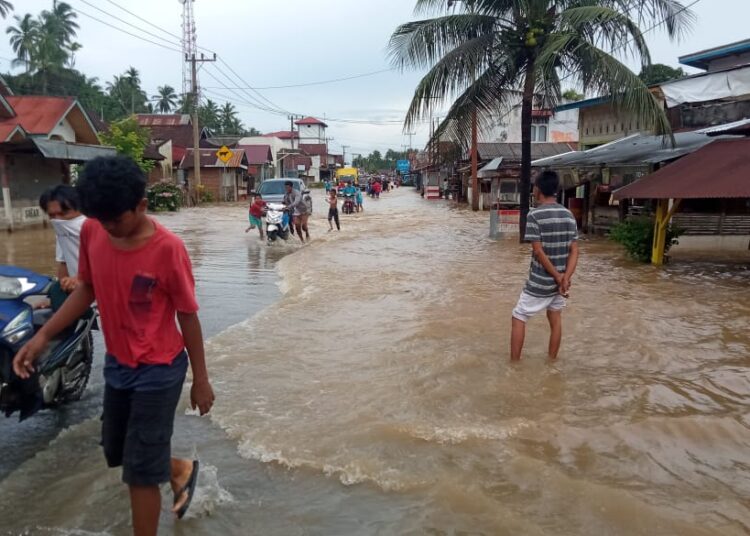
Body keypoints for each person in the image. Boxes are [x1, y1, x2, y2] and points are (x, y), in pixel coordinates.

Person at [13, 156, 215, 535]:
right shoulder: (94, 230)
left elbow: (188, 314)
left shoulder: (168, 250)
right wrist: (42, 336)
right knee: (116, 448)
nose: (108, 229)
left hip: (160, 368)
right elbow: (86, 287)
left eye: (115, 220)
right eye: (100, 220)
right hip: (119, 364)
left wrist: (200, 379)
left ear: (141, 205)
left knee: (138, 473)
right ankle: (178, 469)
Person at [510, 170, 579, 361]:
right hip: (560, 284)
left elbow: (538, 252)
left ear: (538, 189)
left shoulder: (535, 215)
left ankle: (514, 364)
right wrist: (565, 277)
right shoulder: (568, 215)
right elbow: (575, 250)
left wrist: (558, 276)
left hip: (540, 282)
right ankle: (551, 361)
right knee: (555, 319)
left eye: (534, 187)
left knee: (519, 316)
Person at [39, 185, 86, 293]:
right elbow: (64, 263)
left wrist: (81, 278)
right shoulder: (62, 231)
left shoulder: (100, 229)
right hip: (79, 293)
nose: (58, 220)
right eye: (52, 215)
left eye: (63, 213)